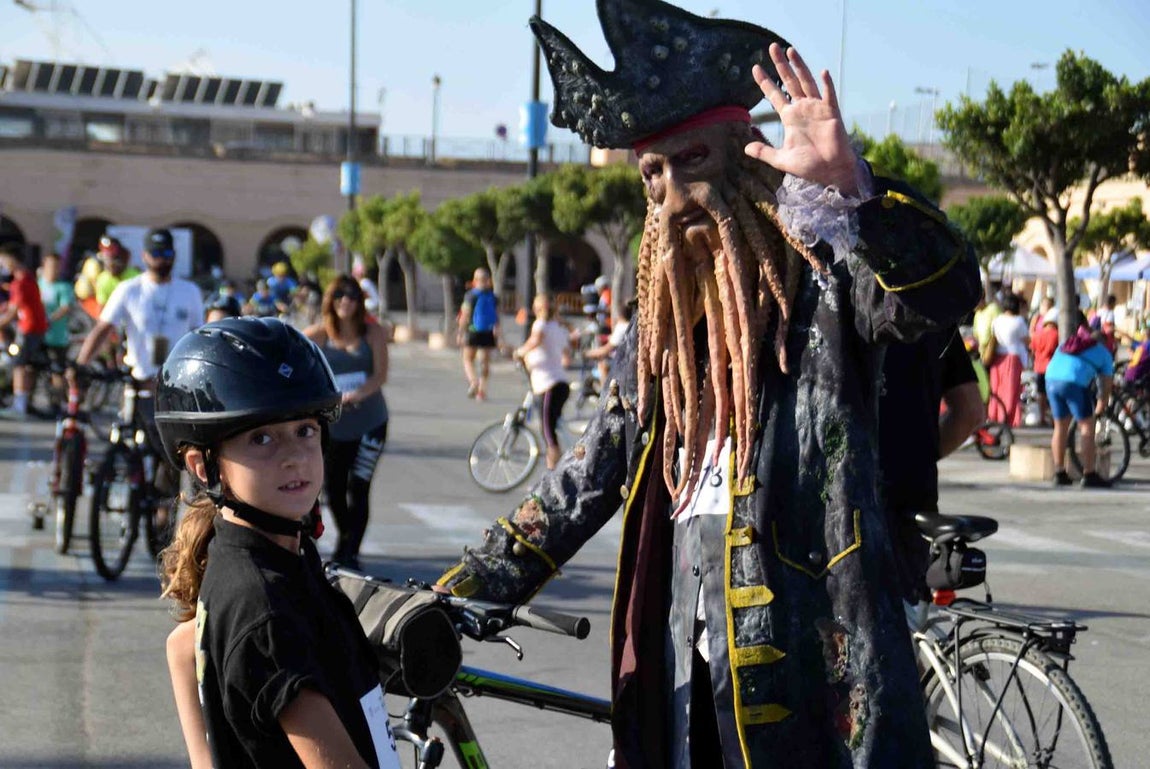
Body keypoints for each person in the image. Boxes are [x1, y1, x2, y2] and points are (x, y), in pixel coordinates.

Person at [436, 5, 980, 767]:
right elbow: (585, 480)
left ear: (748, 160)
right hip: (684, 675)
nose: (670, 192)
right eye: (653, 174)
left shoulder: (832, 287)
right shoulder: (658, 337)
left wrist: (853, 191)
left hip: (820, 690)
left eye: (690, 161)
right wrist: (458, 591)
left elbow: (944, 291)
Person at [156, 317, 400, 768]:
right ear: (203, 466)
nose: (294, 456)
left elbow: (184, 645)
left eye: (305, 430)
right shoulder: (264, 610)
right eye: (261, 437)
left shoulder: (274, 551)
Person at [879, 327, 984, 603]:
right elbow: (971, 411)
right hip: (914, 492)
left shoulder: (831, 300)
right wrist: (920, 454)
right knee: (907, 612)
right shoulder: (935, 312)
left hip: (848, 498)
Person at [304, 276, 389, 570]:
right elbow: (291, 353)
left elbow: (380, 375)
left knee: (359, 486)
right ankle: (345, 536)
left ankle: (350, 550)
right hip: (333, 426)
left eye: (352, 295)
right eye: (339, 295)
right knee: (333, 487)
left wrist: (355, 395)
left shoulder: (373, 332)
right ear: (330, 300)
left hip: (370, 422)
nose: (346, 301)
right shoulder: (319, 335)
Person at [1045, 311, 1115, 488]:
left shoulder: (1067, 343)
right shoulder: (1104, 354)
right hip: (1074, 384)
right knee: (1087, 427)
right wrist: (1101, 404)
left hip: (1051, 379)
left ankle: (1059, 472)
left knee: (1060, 427)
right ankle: (1089, 474)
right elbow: (1106, 386)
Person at [515, 294, 571, 470]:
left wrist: (520, 351)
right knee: (553, 429)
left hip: (548, 385)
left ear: (536, 308)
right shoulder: (558, 327)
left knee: (548, 433)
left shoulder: (540, 325)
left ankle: (555, 473)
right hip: (560, 383)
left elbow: (536, 339)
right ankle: (552, 471)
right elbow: (566, 355)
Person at [0, 244, 49, 418]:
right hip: (35, 327)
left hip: (28, 328)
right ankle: (22, 403)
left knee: (19, 365)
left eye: (4, 260)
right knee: (25, 365)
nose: (3, 264)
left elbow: (13, 311)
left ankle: (19, 406)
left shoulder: (20, 283)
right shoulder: (28, 279)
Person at [37, 252, 75, 406]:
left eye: (57, 266)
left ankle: (57, 402)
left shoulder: (64, 287)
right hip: (37, 335)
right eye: (51, 266)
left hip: (57, 337)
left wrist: (49, 319)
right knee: (31, 366)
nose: (54, 269)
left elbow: (66, 307)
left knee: (57, 371)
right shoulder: (38, 284)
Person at [457, 267, 500, 400]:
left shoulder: (471, 295)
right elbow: (497, 315)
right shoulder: (493, 296)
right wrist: (498, 333)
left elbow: (465, 314)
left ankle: (474, 381)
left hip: (473, 330)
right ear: (488, 280)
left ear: (475, 280)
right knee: (485, 362)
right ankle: (482, 390)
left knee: (468, 359)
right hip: (488, 331)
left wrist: (460, 332)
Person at [987, 292, 1029, 426]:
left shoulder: (996, 321)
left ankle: (995, 414)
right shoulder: (1019, 321)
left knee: (997, 387)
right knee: (1011, 389)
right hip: (1013, 357)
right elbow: (1027, 340)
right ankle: (1009, 416)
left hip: (997, 357)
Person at [1031, 308, 1061, 425]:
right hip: (1053, 368)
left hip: (1039, 367)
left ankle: (1042, 417)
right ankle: (1055, 419)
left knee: (1041, 394)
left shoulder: (1037, 335)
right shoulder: (1057, 334)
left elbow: (1032, 350)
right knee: (1053, 395)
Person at [94, 236, 141, 308]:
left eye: (115, 261)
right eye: (107, 261)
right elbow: (102, 307)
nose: (111, 265)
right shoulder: (102, 279)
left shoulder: (136, 276)